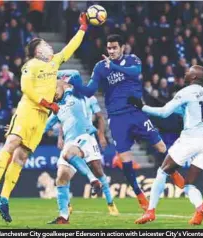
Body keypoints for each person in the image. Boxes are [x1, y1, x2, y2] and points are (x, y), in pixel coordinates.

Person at [68, 34, 184, 211]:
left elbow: (135, 73)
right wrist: (77, 84)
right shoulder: (100, 67)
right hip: (117, 118)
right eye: (109, 48)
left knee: (160, 146)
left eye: (114, 47)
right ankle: (139, 194)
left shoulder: (132, 59)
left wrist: (113, 66)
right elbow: (90, 91)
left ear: (122, 48)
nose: (111, 51)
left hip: (137, 112)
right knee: (124, 158)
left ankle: (173, 171)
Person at [0, 13, 89, 223]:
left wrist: (82, 28)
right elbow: (26, 88)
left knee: (21, 157)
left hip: (41, 118)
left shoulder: (54, 62)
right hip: (28, 110)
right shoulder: (31, 64)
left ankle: (4, 199)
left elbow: (71, 47)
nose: (49, 47)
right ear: (38, 50)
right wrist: (47, 103)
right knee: (13, 142)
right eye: (45, 45)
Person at [129, 65, 203, 225]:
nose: (186, 73)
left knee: (162, 171)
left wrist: (142, 107)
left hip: (191, 139)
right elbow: (187, 112)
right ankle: (200, 207)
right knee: (188, 183)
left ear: (194, 77)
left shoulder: (186, 91)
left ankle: (150, 211)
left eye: (189, 72)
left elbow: (164, 113)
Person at [45, 80, 118, 224]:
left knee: (97, 169)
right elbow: (46, 126)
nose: (53, 93)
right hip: (70, 141)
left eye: (54, 88)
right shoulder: (57, 108)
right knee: (61, 177)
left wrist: (101, 134)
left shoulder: (80, 95)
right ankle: (63, 217)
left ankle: (109, 201)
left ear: (63, 85)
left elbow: (99, 116)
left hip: (86, 137)